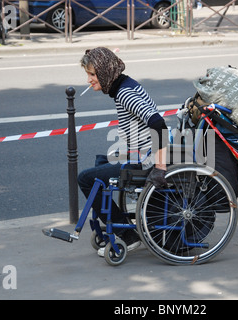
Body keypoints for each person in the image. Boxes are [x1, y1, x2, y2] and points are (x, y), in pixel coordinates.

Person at [77, 47, 169, 256]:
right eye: (88, 74)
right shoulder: (125, 85)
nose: (89, 80)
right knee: (100, 163)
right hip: (141, 156)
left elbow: (159, 125)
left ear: (105, 71)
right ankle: (121, 225)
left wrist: (160, 167)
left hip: (145, 162)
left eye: (92, 74)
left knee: (85, 179)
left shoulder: (125, 93)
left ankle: (129, 236)